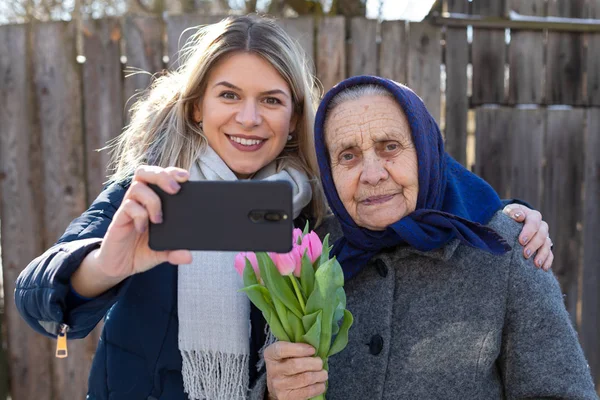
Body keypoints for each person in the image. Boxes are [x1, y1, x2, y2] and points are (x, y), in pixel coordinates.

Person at [15, 16, 553, 400]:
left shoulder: (316, 206)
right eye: (228, 95)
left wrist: (508, 216)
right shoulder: (150, 194)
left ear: (295, 115)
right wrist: (103, 268)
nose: (249, 118)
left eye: (271, 100)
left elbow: (416, 185)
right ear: (198, 106)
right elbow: (37, 302)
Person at [255, 76, 596, 400]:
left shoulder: (505, 248)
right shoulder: (311, 254)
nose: (372, 175)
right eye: (348, 156)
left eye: (389, 147)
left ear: (425, 152)